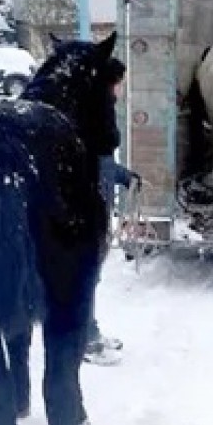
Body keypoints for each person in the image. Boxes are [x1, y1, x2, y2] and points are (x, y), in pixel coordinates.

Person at [84, 154, 139, 366]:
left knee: (89, 283)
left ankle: (90, 332)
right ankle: (85, 342)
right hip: (78, 229)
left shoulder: (98, 151)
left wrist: (128, 177)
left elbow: (107, 167)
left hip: (97, 227)